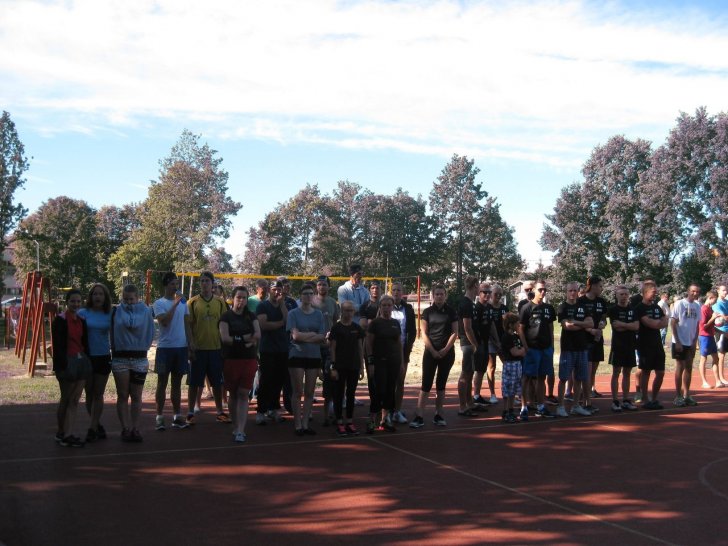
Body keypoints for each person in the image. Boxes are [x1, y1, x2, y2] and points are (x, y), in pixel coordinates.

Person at [410, 284, 458, 428]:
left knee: (441, 385)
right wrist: (432, 351)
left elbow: (455, 332)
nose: (439, 296)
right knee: (426, 384)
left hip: (447, 353)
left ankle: (439, 414)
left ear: (445, 295)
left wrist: (445, 350)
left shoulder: (451, 312)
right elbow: (424, 333)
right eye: (437, 294)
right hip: (430, 353)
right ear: (433, 295)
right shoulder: (427, 312)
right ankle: (419, 416)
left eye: (442, 294)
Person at [111, 284, 154, 442]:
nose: (129, 302)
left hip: (139, 359)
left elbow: (150, 330)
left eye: (131, 299)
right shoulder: (116, 311)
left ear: (137, 298)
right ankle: (125, 428)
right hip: (120, 358)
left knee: (136, 395)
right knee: (122, 395)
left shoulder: (146, 311)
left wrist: (145, 346)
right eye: (126, 299)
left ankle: (135, 428)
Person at [186, 271, 230, 425]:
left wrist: (224, 344)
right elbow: (188, 325)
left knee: (217, 382)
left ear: (212, 283)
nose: (204, 283)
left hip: (216, 348)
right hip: (198, 349)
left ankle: (220, 412)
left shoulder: (220, 302)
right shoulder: (192, 302)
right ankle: (190, 413)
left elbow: (225, 323)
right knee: (194, 383)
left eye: (207, 281)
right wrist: (190, 343)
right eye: (202, 281)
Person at [219, 286, 260, 443]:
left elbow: (257, 334)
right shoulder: (226, 317)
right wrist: (244, 339)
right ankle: (235, 426)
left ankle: (241, 430)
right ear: (233, 298)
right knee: (234, 393)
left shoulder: (251, 316)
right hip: (230, 359)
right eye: (238, 297)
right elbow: (225, 338)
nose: (241, 300)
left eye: (244, 298)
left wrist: (242, 339)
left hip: (249, 359)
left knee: (243, 393)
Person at [152, 272, 192, 431]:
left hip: (181, 348)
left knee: (177, 383)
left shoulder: (183, 303)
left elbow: (187, 324)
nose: (175, 287)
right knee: (162, 383)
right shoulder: (159, 303)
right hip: (165, 348)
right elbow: (165, 322)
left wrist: (190, 344)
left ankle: (177, 417)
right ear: (166, 285)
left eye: (176, 284)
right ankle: (159, 417)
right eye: (172, 284)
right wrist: (175, 303)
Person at [52, 289, 92, 447]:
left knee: (75, 399)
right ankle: (61, 432)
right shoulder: (60, 320)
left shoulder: (82, 320)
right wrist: (62, 366)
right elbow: (57, 346)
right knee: (66, 398)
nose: (76, 304)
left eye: (78, 301)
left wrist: (86, 359)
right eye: (72, 301)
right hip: (66, 363)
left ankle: (68, 433)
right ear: (67, 302)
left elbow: (85, 342)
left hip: (81, 361)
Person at [287, 285, 326, 435]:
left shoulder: (319, 314)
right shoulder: (293, 314)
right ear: (301, 296)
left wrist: (304, 336)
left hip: (314, 356)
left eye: (310, 293)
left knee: (309, 392)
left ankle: (305, 424)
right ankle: (297, 424)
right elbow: (295, 336)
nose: (308, 296)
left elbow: (322, 337)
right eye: (305, 293)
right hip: (296, 355)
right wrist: (312, 335)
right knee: (298, 391)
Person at [78, 283, 113, 442]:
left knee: (98, 394)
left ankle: (92, 428)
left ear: (105, 297)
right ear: (90, 296)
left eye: (101, 294)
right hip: (87, 357)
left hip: (103, 357)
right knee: (89, 394)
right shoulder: (82, 313)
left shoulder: (110, 313)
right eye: (95, 294)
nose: (97, 297)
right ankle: (96, 425)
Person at [518, 280, 556, 419]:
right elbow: (521, 329)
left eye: (545, 289)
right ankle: (524, 407)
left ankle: (541, 407)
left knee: (542, 378)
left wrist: (551, 346)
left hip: (545, 349)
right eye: (540, 289)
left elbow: (551, 328)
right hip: (532, 349)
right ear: (534, 290)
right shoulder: (526, 308)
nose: (543, 292)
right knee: (527, 377)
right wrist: (525, 346)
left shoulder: (549, 308)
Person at [556, 282, 593, 417]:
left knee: (579, 378)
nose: (572, 293)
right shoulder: (562, 307)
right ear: (566, 292)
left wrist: (576, 322)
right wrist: (583, 325)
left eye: (574, 290)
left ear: (578, 292)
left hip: (582, 347)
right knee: (563, 378)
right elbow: (567, 326)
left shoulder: (582, 306)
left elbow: (591, 323)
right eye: (570, 290)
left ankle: (576, 406)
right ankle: (560, 406)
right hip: (568, 348)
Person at [366, 295, 403, 432]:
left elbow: (399, 343)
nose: (386, 308)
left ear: (392, 307)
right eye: (384, 305)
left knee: (390, 390)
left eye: (389, 305)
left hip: (393, 362)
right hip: (378, 362)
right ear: (380, 307)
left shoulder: (395, 323)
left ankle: (385, 420)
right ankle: (372, 420)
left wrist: (401, 363)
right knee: (378, 391)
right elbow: (368, 344)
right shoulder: (374, 323)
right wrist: (370, 362)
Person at [329, 301, 366, 436]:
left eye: (351, 310)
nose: (349, 313)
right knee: (339, 394)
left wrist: (361, 366)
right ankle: (339, 422)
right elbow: (332, 348)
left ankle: (349, 421)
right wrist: (333, 366)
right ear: (342, 311)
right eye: (346, 310)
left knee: (351, 394)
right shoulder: (336, 328)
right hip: (339, 366)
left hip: (353, 366)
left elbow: (360, 348)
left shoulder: (357, 328)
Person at [256, 280, 290, 425]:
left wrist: (282, 305)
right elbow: (264, 325)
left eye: (279, 289)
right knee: (266, 380)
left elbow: (288, 321)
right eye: (274, 289)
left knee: (279, 380)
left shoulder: (284, 305)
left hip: (282, 348)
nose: (277, 292)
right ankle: (261, 411)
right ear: (270, 290)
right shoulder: (263, 306)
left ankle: (273, 409)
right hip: (267, 349)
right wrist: (281, 323)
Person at [635, 280, 669, 409]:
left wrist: (659, 323)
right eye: (653, 292)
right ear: (645, 292)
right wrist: (659, 323)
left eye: (656, 292)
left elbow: (665, 321)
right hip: (645, 344)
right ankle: (645, 399)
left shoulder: (656, 307)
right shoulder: (639, 308)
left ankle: (654, 398)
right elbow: (651, 324)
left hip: (657, 344)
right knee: (646, 372)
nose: (655, 294)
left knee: (660, 372)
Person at [312, 275, 340, 425]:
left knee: (329, 379)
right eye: (319, 284)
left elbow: (335, 322)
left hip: (328, 346)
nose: (321, 287)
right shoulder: (311, 301)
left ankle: (328, 413)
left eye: (324, 284)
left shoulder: (333, 303)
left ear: (329, 286)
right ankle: (309, 410)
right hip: (313, 345)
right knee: (312, 378)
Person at [608, 285, 640, 411]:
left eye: (626, 294)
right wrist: (629, 325)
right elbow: (616, 327)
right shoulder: (613, 310)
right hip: (618, 345)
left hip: (630, 345)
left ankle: (626, 400)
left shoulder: (633, 309)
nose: (624, 296)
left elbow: (636, 326)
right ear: (616, 296)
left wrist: (623, 325)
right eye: (621, 294)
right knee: (616, 372)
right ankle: (615, 401)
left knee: (627, 373)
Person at [578, 276, 608, 404]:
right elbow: (578, 321)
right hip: (584, 340)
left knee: (593, 369)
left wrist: (602, 323)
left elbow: (604, 318)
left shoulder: (601, 301)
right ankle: (584, 399)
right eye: (600, 286)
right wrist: (590, 330)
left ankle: (588, 395)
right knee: (586, 370)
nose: (601, 288)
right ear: (593, 286)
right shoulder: (581, 301)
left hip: (597, 339)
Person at [671, 284, 701, 407]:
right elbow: (673, 322)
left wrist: (695, 342)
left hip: (690, 342)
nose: (695, 293)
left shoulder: (697, 306)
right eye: (693, 291)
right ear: (688, 291)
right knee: (680, 367)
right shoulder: (680, 304)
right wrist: (677, 341)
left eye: (697, 292)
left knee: (689, 367)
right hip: (679, 341)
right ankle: (678, 396)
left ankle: (686, 395)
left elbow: (697, 325)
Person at [391, 282, 416, 424]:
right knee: (388, 382)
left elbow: (412, 331)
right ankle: (387, 411)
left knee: (400, 382)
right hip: (388, 351)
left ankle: (397, 411)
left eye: (398, 290)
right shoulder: (385, 306)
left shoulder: (408, 309)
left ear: (402, 292)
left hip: (403, 351)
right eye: (394, 290)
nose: (396, 292)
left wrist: (409, 346)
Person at [456, 275, 481, 417]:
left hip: (470, 343)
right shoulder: (466, 304)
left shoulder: (471, 303)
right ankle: (462, 406)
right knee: (465, 374)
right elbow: (467, 327)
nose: (479, 289)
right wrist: (475, 344)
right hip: (467, 343)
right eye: (479, 285)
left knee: (470, 373)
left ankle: (469, 402)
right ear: (475, 286)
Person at [500, 312, 525, 422]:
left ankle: (510, 410)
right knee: (508, 388)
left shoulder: (516, 336)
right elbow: (515, 352)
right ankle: (506, 411)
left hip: (517, 364)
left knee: (514, 388)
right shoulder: (506, 337)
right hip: (510, 365)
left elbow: (522, 350)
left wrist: (521, 351)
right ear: (510, 325)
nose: (518, 325)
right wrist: (521, 351)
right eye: (516, 323)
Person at [485, 284, 507, 404]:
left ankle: (508, 392)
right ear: (491, 294)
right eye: (495, 294)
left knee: (507, 366)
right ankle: (492, 394)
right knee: (491, 367)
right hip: (491, 341)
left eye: (500, 294)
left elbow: (508, 325)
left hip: (503, 341)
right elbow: (487, 327)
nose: (498, 296)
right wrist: (495, 342)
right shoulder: (487, 308)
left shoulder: (504, 308)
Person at [472, 283, 493, 407]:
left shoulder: (489, 307)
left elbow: (491, 325)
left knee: (482, 370)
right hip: (478, 343)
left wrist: (496, 340)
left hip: (486, 343)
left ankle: (477, 394)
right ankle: (475, 395)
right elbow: (473, 328)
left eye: (489, 292)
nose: (487, 294)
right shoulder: (477, 308)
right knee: (478, 370)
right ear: (479, 293)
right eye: (485, 292)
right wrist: (477, 344)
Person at [698, 290, 724, 388]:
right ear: (710, 298)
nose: (715, 302)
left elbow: (711, 325)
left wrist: (722, 330)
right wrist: (713, 318)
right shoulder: (703, 309)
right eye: (715, 300)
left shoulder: (710, 309)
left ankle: (717, 381)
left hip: (710, 336)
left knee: (716, 358)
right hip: (704, 336)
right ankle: (704, 382)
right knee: (703, 358)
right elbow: (703, 326)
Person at [712, 285, 728, 385]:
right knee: (721, 355)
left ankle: (722, 377)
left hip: (727, 330)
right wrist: (724, 317)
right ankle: (721, 378)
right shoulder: (716, 304)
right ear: (718, 291)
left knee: (724, 354)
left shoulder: (727, 302)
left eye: (726, 290)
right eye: (723, 290)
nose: (725, 292)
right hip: (720, 331)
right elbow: (724, 318)